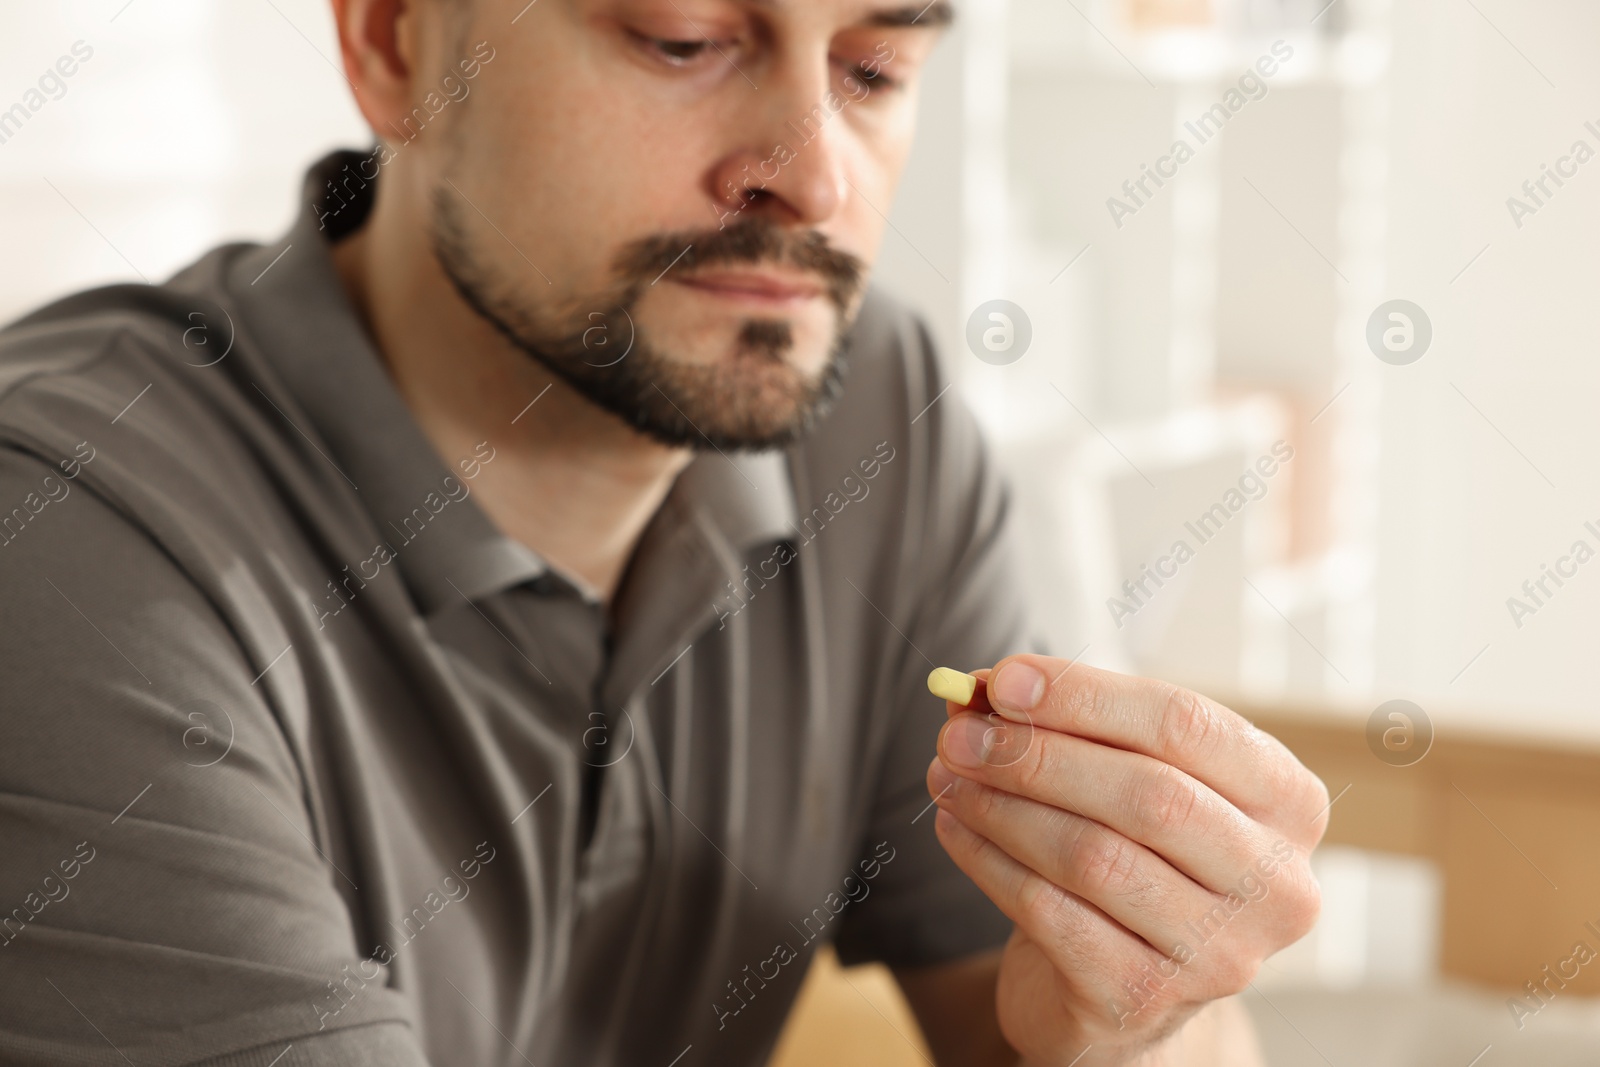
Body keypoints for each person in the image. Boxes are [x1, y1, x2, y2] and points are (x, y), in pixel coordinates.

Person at [0, 1, 1328, 1063]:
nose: (810, 175)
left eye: (873, 68)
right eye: (684, 42)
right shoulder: (66, 545)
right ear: (394, 42)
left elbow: (1031, 1022)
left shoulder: (875, 435)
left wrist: (1137, 1019)